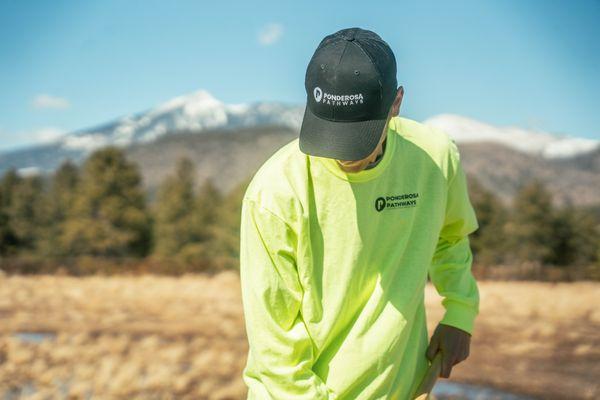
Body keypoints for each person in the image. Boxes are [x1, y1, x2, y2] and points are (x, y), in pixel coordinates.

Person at [239, 27, 480, 400]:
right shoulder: (275, 193)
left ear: (396, 103)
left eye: (358, 136)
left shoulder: (435, 158)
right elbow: (276, 348)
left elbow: (449, 237)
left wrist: (460, 313)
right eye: (330, 131)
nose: (342, 153)